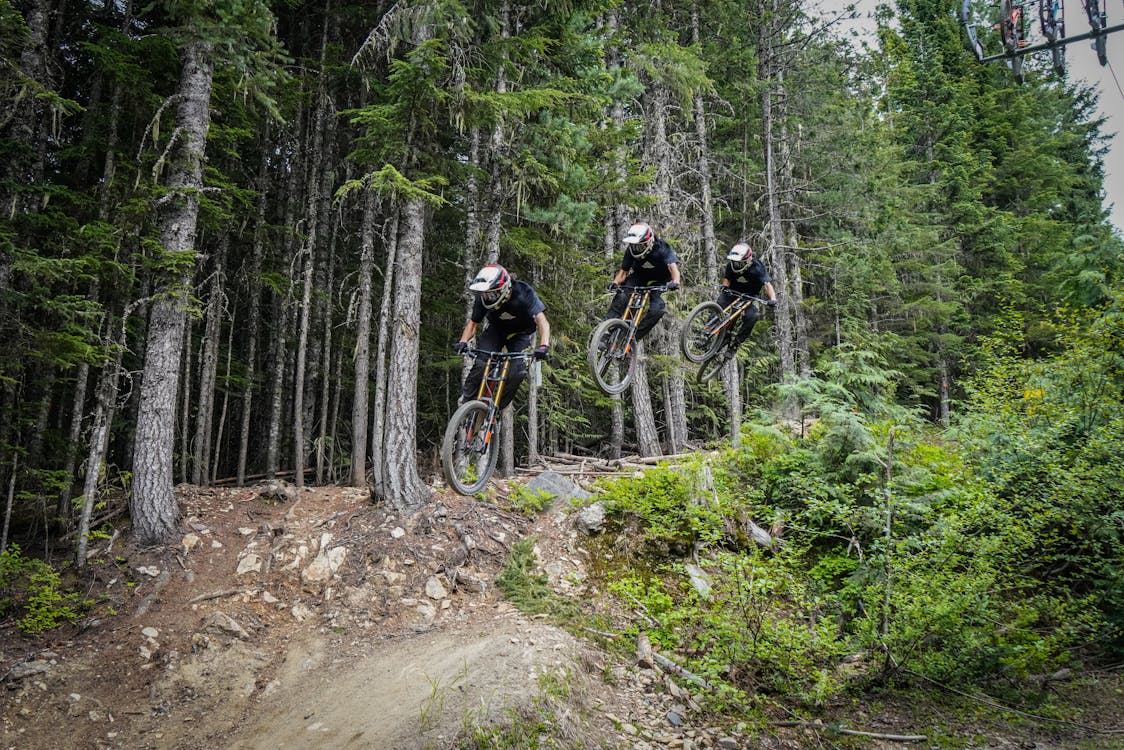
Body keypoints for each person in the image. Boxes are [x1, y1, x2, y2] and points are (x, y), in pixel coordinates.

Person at [453, 263, 550, 409]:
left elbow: (542, 321)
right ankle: (465, 403)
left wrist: (543, 345)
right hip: (496, 331)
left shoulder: (523, 293)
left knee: (517, 372)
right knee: (481, 363)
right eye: (485, 294)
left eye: (492, 294)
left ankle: (498, 408)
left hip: (520, 334)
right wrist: (463, 341)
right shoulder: (483, 298)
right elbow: (473, 324)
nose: (488, 297)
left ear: (504, 288)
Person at [604, 222, 681, 341]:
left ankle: (634, 339)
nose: (635, 249)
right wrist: (615, 283)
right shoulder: (630, 251)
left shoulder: (662, 248)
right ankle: (606, 332)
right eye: (633, 246)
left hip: (659, 280)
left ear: (649, 242)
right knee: (622, 295)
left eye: (639, 246)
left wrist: (675, 282)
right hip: (639, 276)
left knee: (657, 310)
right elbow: (623, 272)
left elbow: (673, 268)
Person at [714, 241, 777, 357]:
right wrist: (725, 287)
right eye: (735, 262)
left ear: (747, 260)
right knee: (719, 304)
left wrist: (773, 299)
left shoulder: (758, 267)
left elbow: (767, 285)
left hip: (749, 297)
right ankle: (707, 330)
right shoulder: (731, 265)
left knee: (752, 316)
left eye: (739, 263)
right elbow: (727, 279)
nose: (736, 264)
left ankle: (736, 344)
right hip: (732, 292)